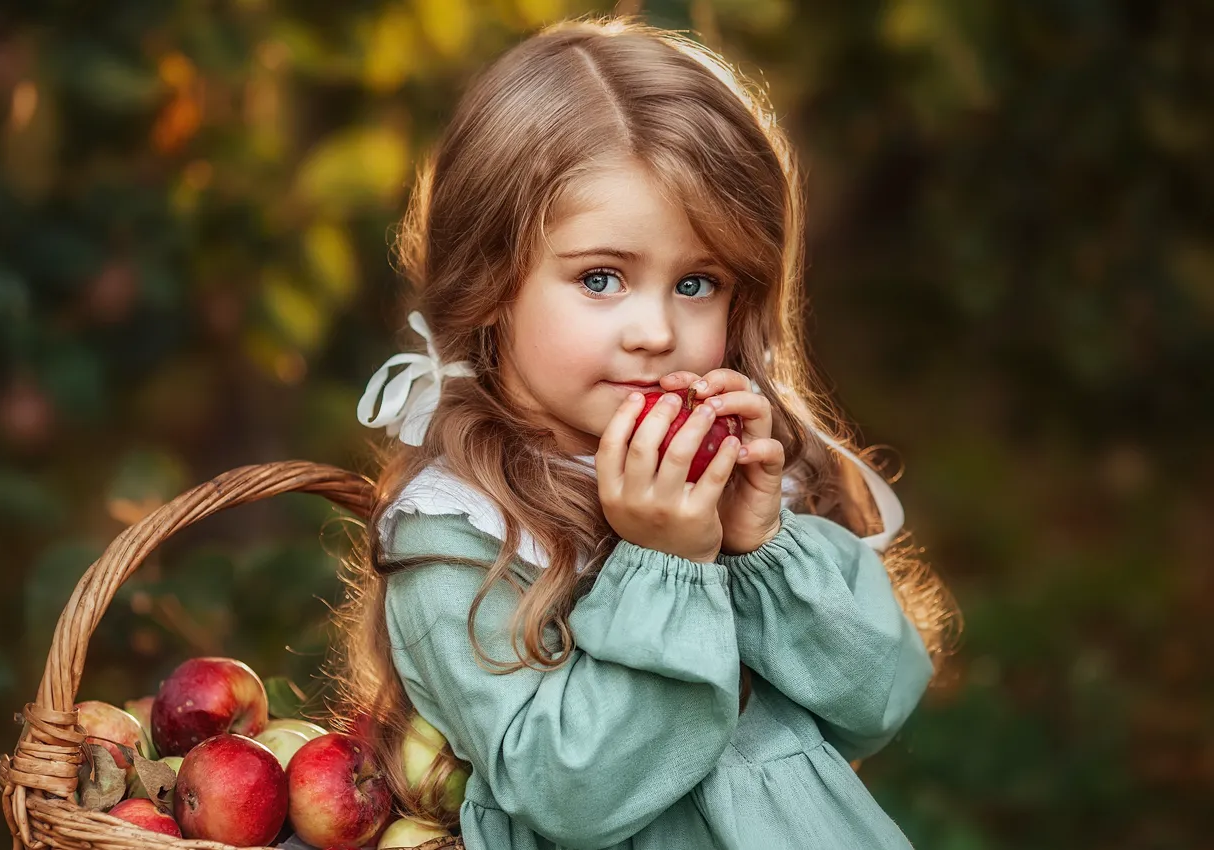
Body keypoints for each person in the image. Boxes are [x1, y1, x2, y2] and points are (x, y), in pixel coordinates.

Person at [338, 16, 960, 850]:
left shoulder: (736, 473)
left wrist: (763, 550)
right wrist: (667, 566)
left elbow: (878, 703)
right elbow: (575, 796)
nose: (657, 332)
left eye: (697, 283)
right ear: (490, 283)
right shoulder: (458, 535)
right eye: (601, 278)